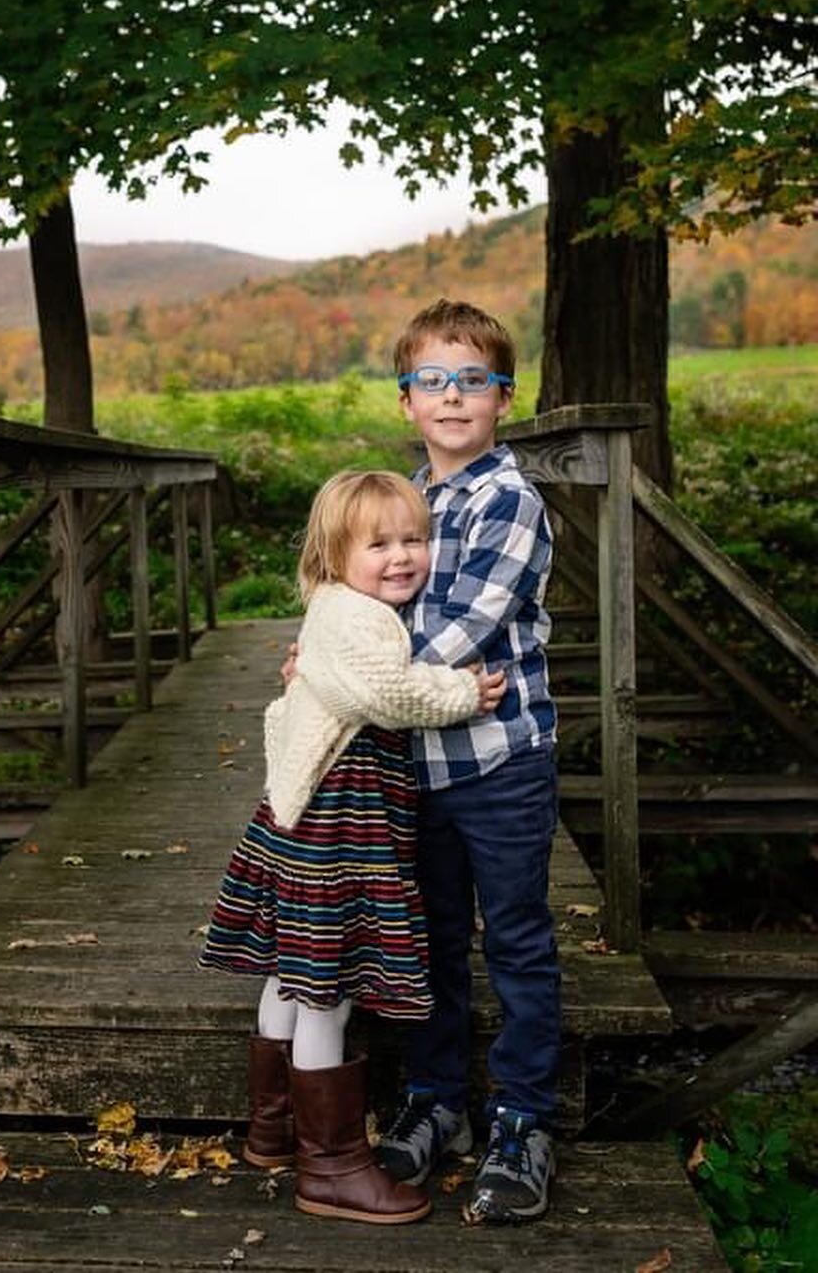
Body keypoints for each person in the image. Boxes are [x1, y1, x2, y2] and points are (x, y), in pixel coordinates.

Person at [199, 469, 504, 1227]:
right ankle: (330, 1168)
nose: (402, 557)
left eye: (415, 540)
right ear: (335, 555)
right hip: (338, 822)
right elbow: (388, 695)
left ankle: (273, 1131)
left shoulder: (331, 612)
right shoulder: (357, 619)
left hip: (305, 813)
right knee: (325, 986)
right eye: (380, 544)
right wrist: (464, 692)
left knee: (290, 971)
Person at [374, 298, 559, 1226]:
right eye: (433, 381)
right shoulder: (405, 502)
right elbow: (365, 599)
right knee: (434, 936)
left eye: (472, 381)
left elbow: (464, 630)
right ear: (406, 400)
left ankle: (523, 1117)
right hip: (418, 762)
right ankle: (437, 1097)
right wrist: (329, 649)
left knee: (517, 938)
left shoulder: (509, 500)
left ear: (503, 397)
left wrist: (351, 678)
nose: (453, 397)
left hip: (499, 760)